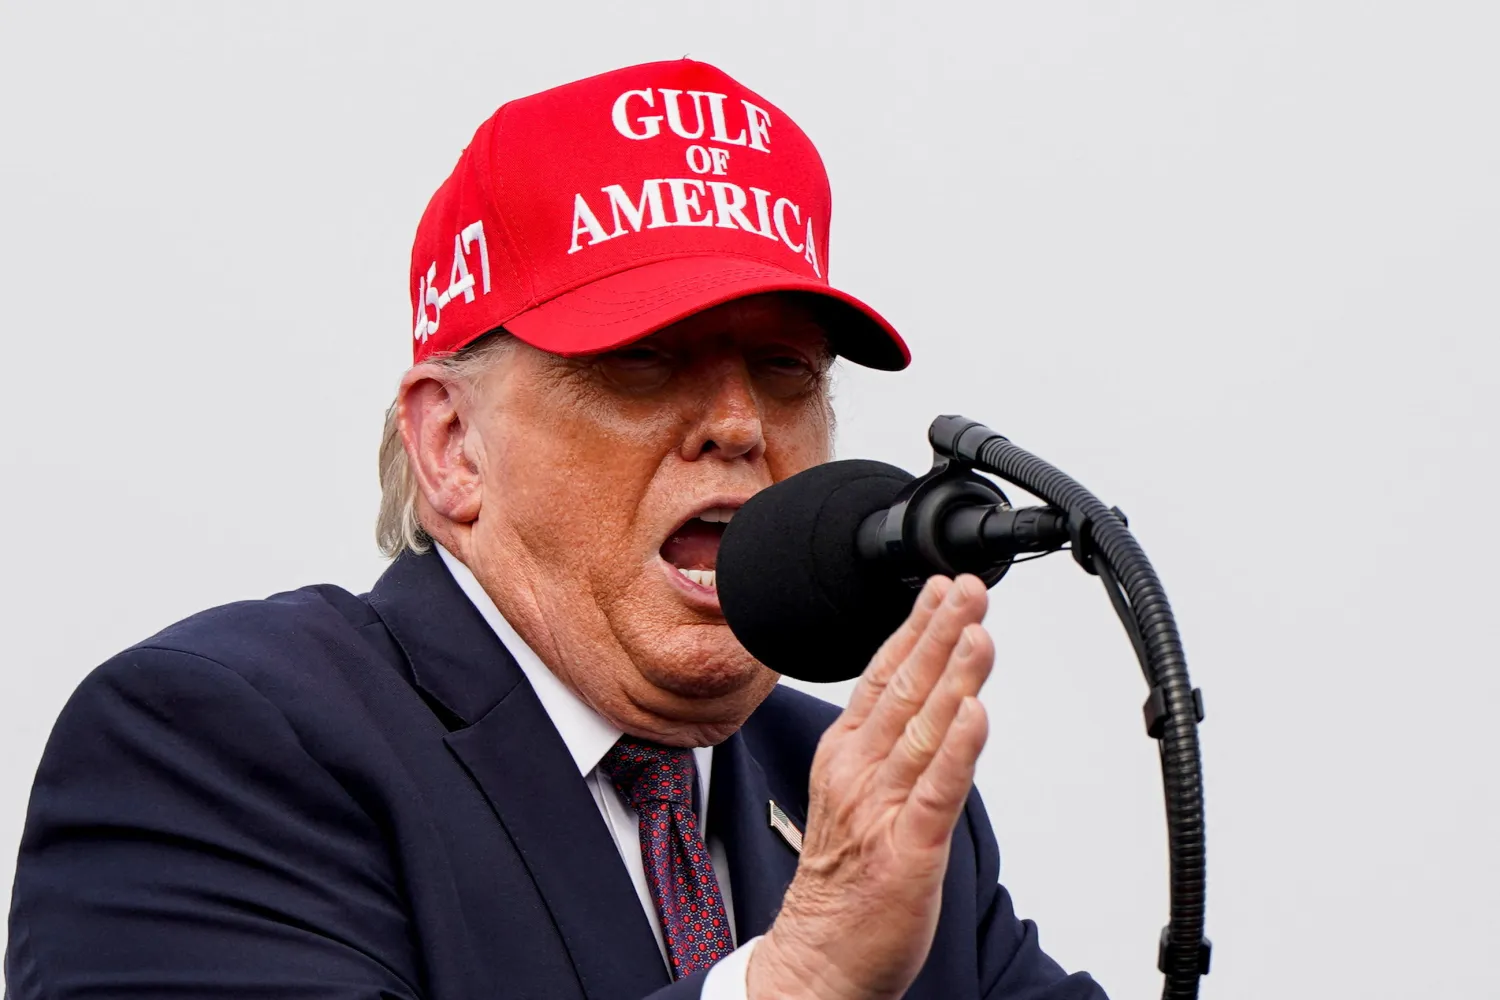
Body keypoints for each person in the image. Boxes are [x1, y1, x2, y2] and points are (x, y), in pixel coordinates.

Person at [5, 60, 1107, 1000]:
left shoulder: (872, 803)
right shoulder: (212, 744)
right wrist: (797, 979)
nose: (736, 423)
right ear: (451, 445)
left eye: (784, 370)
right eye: (644, 360)